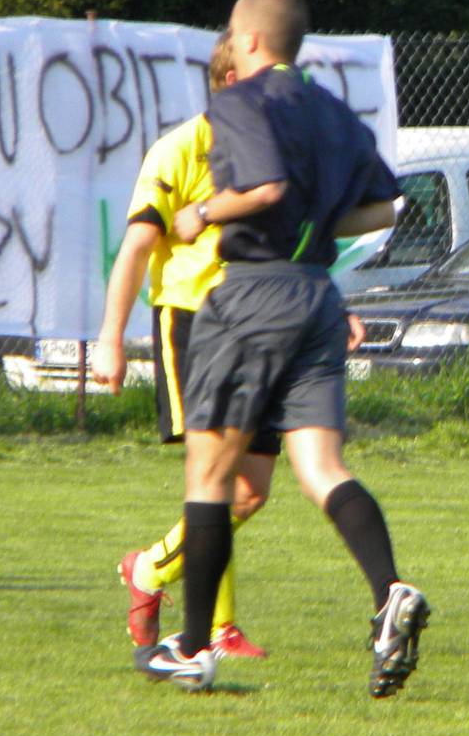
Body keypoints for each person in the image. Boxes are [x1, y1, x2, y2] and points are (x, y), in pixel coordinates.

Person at [132, 0, 427, 697]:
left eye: (233, 36)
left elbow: (263, 189)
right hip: (317, 296)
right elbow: (384, 208)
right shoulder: (333, 110)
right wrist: (315, 225)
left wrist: (203, 213)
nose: (230, 47)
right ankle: (390, 590)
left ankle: (192, 648)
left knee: (209, 474)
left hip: (252, 294)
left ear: (251, 41)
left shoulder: (238, 101)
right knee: (322, 467)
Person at [97, 35, 368, 661]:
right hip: (194, 321)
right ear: (228, 84)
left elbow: (299, 246)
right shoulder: (180, 147)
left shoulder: (275, 159)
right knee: (215, 478)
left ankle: (149, 569)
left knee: (250, 491)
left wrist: (333, 306)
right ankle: (215, 627)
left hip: (264, 323)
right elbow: (137, 247)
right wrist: (111, 338)